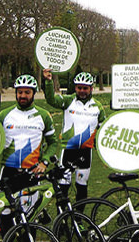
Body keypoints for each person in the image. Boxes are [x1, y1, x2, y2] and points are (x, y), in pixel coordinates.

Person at [0, 74, 59, 235]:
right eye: (20, 92)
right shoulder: (4, 115)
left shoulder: (43, 115)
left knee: (29, 218)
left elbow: (53, 143)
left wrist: (44, 162)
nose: (23, 96)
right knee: (5, 214)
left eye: (27, 92)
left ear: (34, 93)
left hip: (31, 173)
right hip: (8, 171)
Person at [42, 69, 106, 203]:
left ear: (91, 88)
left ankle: (79, 219)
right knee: (64, 186)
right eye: (79, 87)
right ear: (75, 87)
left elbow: (103, 126)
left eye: (85, 88)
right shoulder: (68, 100)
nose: (82, 90)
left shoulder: (98, 106)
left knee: (81, 185)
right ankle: (63, 219)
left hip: (85, 151)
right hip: (68, 150)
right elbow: (51, 100)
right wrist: (48, 81)